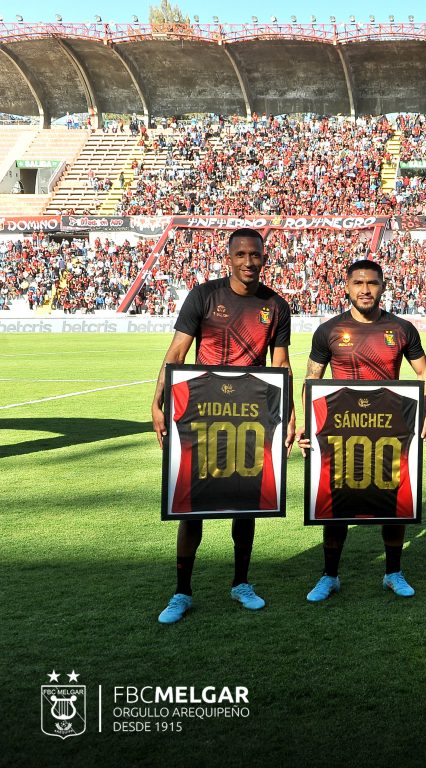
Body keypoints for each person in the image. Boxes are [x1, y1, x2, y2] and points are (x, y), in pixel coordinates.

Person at [151, 227, 294, 624]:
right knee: (191, 505)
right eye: (242, 255)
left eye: (257, 256)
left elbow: (279, 363)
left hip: (251, 411)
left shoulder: (276, 305)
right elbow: (177, 353)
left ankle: (241, 582)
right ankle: (182, 592)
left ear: (264, 258)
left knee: (244, 500)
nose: (249, 262)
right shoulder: (204, 295)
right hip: (202, 407)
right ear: (228, 257)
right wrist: (158, 400)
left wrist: (291, 409)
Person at [299, 259, 426, 600]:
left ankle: (393, 572)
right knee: (336, 504)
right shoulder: (328, 330)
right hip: (341, 431)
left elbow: (424, 372)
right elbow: (311, 380)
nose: (365, 289)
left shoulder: (402, 329)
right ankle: (330, 576)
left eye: (372, 283)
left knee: (393, 501)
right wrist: (308, 425)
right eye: (358, 283)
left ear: (383, 286)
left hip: (388, 430)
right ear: (346, 286)